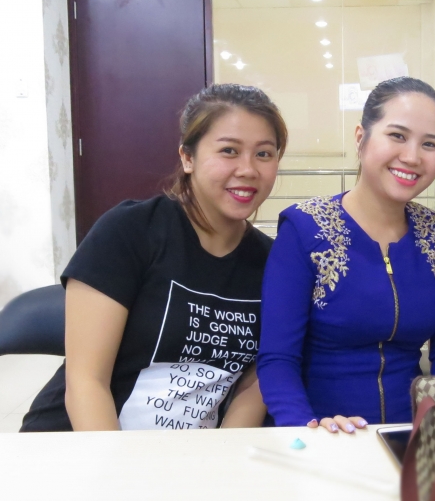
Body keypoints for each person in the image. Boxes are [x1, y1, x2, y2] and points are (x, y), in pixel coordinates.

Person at [21, 84, 287, 431]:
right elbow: (86, 382)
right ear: (187, 157)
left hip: (188, 454)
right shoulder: (130, 231)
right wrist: (122, 466)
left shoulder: (273, 262)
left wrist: (224, 456)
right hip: (80, 441)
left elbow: (255, 383)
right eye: (229, 151)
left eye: (264, 154)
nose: (248, 169)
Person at [258, 77, 435, 432]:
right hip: (324, 434)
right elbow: (278, 359)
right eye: (397, 135)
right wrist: (307, 428)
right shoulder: (304, 229)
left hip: (411, 435)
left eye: (430, 144)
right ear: (361, 137)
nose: (412, 156)